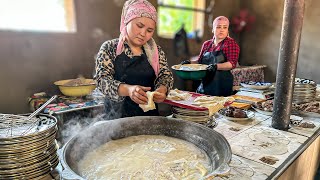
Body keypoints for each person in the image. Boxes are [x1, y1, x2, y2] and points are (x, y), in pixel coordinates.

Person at [94, 0, 173, 119]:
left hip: (149, 119)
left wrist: (162, 89)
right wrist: (129, 90)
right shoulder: (110, 48)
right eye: (139, 26)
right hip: (116, 120)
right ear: (127, 21)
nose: (143, 33)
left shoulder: (155, 51)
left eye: (149, 30)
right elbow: (102, 81)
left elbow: (165, 75)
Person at [182, 16, 240, 96]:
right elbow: (200, 61)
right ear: (213, 29)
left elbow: (231, 64)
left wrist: (216, 66)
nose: (222, 30)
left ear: (227, 30)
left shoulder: (231, 44)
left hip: (221, 87)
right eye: (218, 27)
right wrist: (190, 62)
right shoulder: (207, 44)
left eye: (225, 27)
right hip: (205, 85)